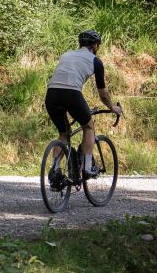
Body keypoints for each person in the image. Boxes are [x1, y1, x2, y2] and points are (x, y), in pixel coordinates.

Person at [44, 30, 122, 180]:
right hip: (72, 95)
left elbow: (64, 81)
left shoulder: (66, 55)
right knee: (88, 126)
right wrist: (113, 108)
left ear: (80, 44)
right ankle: (87, 168)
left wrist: (79, 109)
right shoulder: (95, 61)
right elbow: (103, 94)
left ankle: (54, 170)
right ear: (95, 46)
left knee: (63, 133)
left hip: (51, 94)